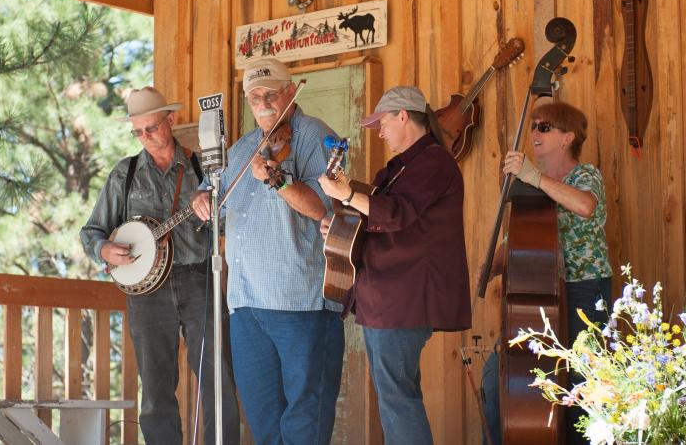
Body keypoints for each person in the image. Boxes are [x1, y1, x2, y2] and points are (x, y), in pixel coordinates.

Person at [190, 57, 345, 445]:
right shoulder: (242, 149)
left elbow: (322, 208)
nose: (262, 103)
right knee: (262, 420)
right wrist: (201, 201)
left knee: (304, 418)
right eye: (254, 96)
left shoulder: (315, 136)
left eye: (270, 94)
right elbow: (218, 205)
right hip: (244, 305)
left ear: (291, 92)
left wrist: (277, 179)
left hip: (299, 302)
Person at [80, 86, 240, 445]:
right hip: (148, 294)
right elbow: (92, 231)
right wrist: (105, 250)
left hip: (200, 278)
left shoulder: (204, 168)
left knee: (219, 380)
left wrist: (212, 208)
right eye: (137, 131)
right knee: (155, 391)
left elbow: (231, 222)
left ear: (170, 120)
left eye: (151, 127)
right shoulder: (126, 173)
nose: (145, 137)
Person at [318, 85, 472, 445]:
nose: (380, 132)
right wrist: (341, 219)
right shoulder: (404, 167)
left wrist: (348, 195)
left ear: (403, 115)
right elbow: (377, 216)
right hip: (386, 299)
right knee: (395, 399)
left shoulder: (433, 162)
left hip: (403, 299)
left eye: (383, 122)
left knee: (397, 400)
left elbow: (398, 214)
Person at [480, 101, 612, 445]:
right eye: (534, 126)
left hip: (583, 291)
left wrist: (534, 177)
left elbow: (585, 205)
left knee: (583, 390)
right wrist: (486, 269)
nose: (534, 133)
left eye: (544, 127)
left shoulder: (586, 175)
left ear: (567, 137)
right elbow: (515, 239)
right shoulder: (532, 187)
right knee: (498, 380)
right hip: (537, 295)